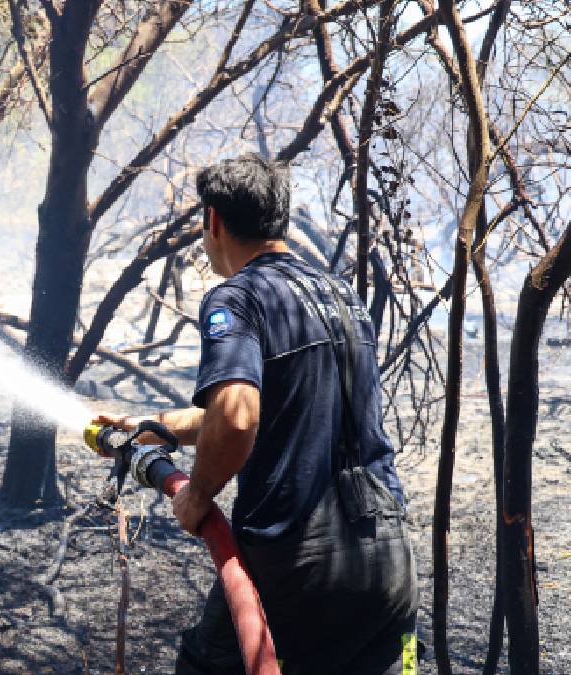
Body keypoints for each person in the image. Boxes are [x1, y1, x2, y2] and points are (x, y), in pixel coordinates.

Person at [95, 153, 418, 675]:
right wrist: (158, 426)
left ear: (214, 220)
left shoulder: (239, 298)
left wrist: (198, 495)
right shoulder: (343, 297)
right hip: (388, 555)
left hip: (295, 560)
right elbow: (275, 412)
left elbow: (238, 417)